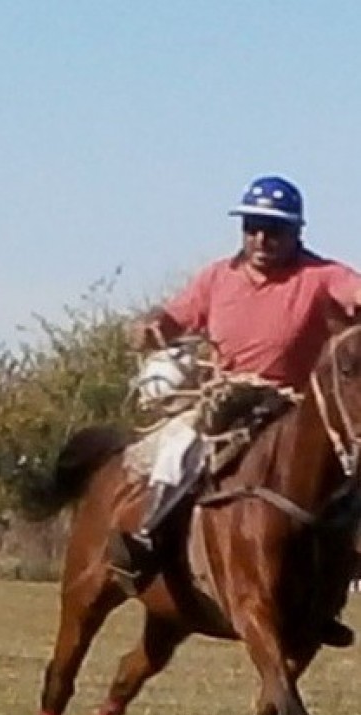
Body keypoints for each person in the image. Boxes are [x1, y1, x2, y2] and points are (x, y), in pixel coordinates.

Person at [111, 174, 361, 645]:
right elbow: (173, 318)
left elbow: (355, 291)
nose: (261, 240)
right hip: (224, 400)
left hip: (292, 408)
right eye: (253, 228)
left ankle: (327, 592)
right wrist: (150, 327)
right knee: (177, 450)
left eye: (274, 231)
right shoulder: (216, 277)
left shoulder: (320, 274)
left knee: (346, 480)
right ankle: (146, 539)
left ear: (297, 233)